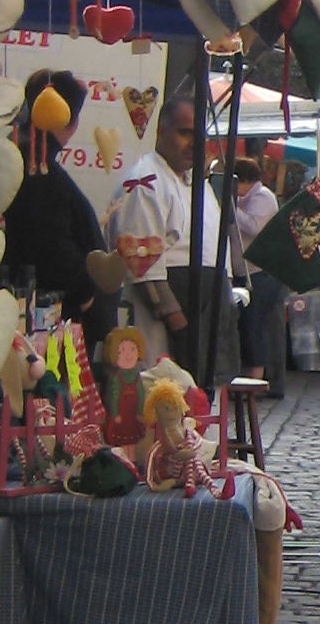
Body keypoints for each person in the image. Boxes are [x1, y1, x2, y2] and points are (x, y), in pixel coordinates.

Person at [107, 91, 238, 381]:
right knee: (165, 403)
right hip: (168, 321)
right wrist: (179, 325)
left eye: (198, 134)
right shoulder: (145, 183)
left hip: (206, 308)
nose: (193, 143)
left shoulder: (197, 184)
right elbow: (142, 267)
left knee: (204, 407)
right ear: (161, 131)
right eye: (184, 133)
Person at [0, 70, 115, 348]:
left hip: (33, 306)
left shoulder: (18, 152)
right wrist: (86, 293)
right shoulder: (36, 164)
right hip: (47, 316)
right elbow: (50, 242)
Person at [230, 147, 287, 403]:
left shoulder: (262, 197)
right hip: (247, 273)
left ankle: (259, 384)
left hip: (262, 275)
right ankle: (252, 380)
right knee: (249, 329)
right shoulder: (247, 198)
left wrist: (231, 207)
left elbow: (253, 227)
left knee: (257, 329)